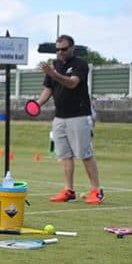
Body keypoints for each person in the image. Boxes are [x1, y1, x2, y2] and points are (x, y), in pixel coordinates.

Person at [36, 35, 103, 204]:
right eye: (57, 49)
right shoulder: (55, 64)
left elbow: (72, 83)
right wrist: (36, 104)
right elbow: (48, 89)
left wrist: (53, 73)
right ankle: (68, 190)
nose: (60, 52)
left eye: (64, 49)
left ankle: (96, 190)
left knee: (85, 154)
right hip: (60, 117)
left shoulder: (80, 65)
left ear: (72, 48)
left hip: (79, 116)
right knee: (65, 156)